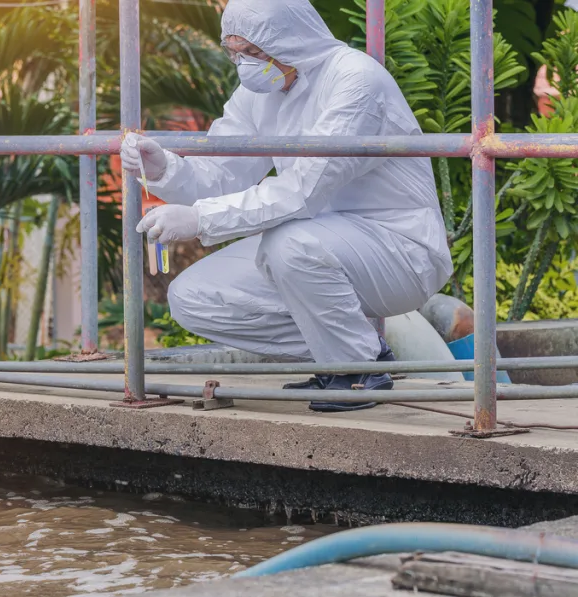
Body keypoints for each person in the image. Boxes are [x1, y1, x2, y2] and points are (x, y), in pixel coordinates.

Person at [121, 0, 452, 412]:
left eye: (254, 52)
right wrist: (165, 170)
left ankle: (359, 368)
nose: (243, 64)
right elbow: (223, 170)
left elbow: (303, 190)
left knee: (288, 243)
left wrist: (200, 219)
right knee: (194, 296)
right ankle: (343, 355)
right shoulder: (258, 93)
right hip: (313, 241)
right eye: (234, 52)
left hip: (397, 248)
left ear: (290, 39)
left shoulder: (355, 80)